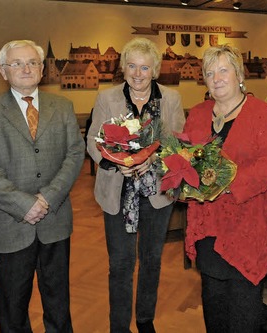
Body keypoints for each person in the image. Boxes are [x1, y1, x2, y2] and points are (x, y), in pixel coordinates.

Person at [0, 40, 84, 332]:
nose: (26, 69)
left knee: (58, 301)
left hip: (55, 220)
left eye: (33, 62)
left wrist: (46, 198)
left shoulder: (63, 106)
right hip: (11, 223)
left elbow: (74, 155)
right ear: (3, 71)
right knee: (13, 306)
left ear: (41, 69)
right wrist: (25, 205)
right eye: (17, 63)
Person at [184, 44, 267, 332]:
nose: (216, 78)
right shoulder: (198, 114)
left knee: (245, 314)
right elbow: (186, 161)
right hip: (208, 228)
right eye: (209, 72)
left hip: (247, 228)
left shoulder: (260, 113)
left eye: (223, 70)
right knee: (214, 308)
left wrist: (226, 183)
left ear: (239, 74)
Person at [86, 37, 185, 333]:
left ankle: (145, 319)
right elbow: (93, 140)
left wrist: (154, 160)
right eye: (132, 66)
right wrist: (115, 161)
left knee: (152, 260)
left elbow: (180, 143)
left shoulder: (171, 99)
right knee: (120, 264)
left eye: (144, 67)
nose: (138, 73)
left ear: (154, 69)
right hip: (118, 192)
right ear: (123, 68)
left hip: (157, 195)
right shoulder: (107, 98)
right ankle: (118, 326)